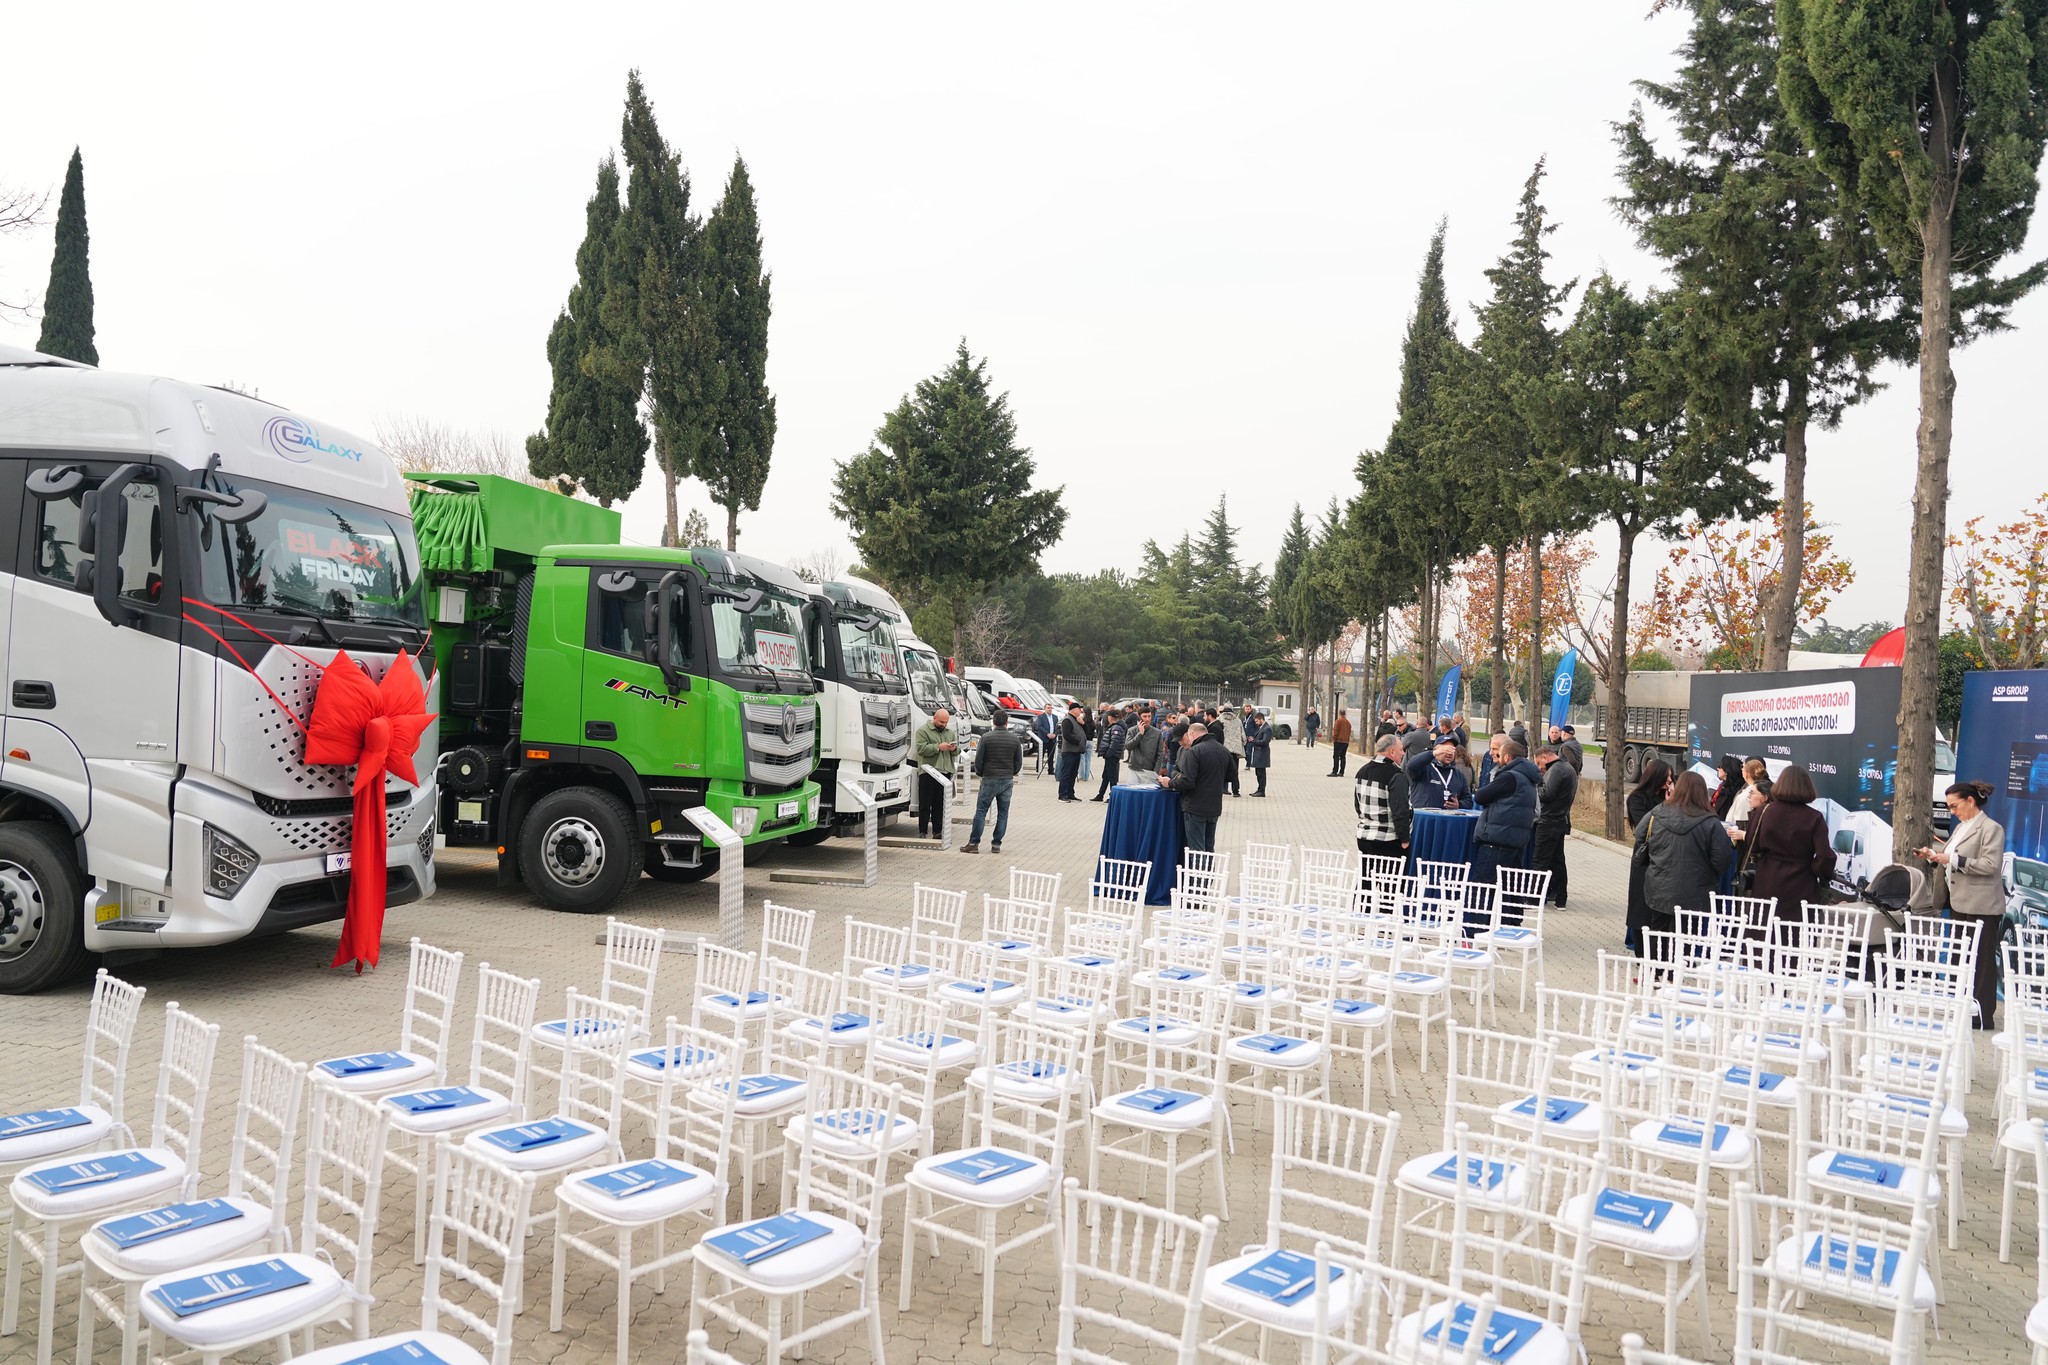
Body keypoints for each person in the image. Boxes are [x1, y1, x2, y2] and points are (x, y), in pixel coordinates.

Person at [1917, 779, 2006, 1029]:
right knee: (1960, 958)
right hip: (1958, 902)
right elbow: (1952, 859)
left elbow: (1990, 866)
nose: (1952, 811)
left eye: (1954, 806)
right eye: (1949, 807)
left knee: (1983, 961)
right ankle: (1961, 1008)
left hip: (1982, 906)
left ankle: (1982, 1016)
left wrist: (1952, 859)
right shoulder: (1960, 828)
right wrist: (1934, 857)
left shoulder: (1991, 828)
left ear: (1970, 801)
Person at [1634, 770, 1733, 962]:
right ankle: (1676, 972)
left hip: (1659, 885)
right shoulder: (1711, 822)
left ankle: (1654, 970)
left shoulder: (1657, 813)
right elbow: (1722, 859)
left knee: (1658, 931)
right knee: (1686, 935)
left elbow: (1640, 836)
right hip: (1696, 889)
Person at [1743, 764, 1833, 928]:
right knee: (1796, 933)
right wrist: (1818, 873)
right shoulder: (1815, 817)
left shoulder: (1764, 811)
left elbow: (1752, 844)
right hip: (1802, 883)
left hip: (1767, 879)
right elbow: (1825, 856)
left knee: (1764, 929)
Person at [1470, 737, 1540, 891]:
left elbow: (1481, 796)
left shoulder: (1509, 776)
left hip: (1497, 840)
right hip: (1515, 840)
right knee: (1509, 889)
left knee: (1483, 889)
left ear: (1507, 757)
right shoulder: (1528, 777)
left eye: (1498, 754)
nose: (1495, 757)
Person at [1624, 758, 1675, 956]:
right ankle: (1640, 950)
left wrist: (1672, 802)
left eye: (1670, 777)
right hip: (1645, 858)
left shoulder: (1669, 797)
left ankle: (1659, 952)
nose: (1669, 781)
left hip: (1665, 859)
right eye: (1666, 777)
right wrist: (1666, 805)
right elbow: (1645, 828)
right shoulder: (1637, 799)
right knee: (1641, 905)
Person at [961, 709, 1024, 854]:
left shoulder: (986, 738)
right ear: (1006, 722)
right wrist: (1011, 773)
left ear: (993, 722)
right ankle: (996, 844)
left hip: (989, 778)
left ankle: (973, 843)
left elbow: (979, 759)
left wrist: (981, 773)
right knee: (1003, 813)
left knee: (981, 811)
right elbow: (1018, 762)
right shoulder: (1015, 739)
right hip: (1007, 780)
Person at [1162, 720, 1230, 853]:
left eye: (1182, 739)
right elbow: (1231, 776)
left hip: (1195, 806)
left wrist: (1169, 783)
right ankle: (1208, 868)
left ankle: (1199, 868)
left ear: (1191, 734)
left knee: (1197, 849)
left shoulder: (1194, 751)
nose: (1181, 743)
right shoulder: (1223, 749)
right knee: (1209, 847)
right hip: (1214, 805)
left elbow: (1188, 781)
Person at [1355, 733, 1414, 872]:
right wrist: (1405, 839)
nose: (1403, 753)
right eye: (1401, 750)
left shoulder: (1362, 771)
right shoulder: (1396, 775)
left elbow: (1358, 806)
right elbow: (1400, 811)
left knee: (1366, 880)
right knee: (1391, 883)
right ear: (1392, 752)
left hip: (1364, 836)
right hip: (1388, 840)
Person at [1531, 743, 1576, 908]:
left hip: (1548, 821)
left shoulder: (1556, 770)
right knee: (1557, 861)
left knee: (1540, 860)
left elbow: (1546, 794)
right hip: (1559, 820)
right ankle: (1560, 898)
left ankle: (1535, 898)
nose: (1539, 767)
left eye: (1539, 763)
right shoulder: (1567, 768)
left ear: (1545, 757)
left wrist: (1535, 786)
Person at [912, 707, 957, 839]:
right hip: (928, 772)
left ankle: (937, 831)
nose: (944, 725)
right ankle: (922, 831)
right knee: (925, 803)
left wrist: (954, 749)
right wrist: (938, 747)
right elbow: (920, 749)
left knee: (939, 804)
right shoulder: (923, 731)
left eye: (946, 722)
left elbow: (957, 751)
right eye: (941, 722)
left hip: (945, 772)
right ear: (934, 718)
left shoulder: (950, 733)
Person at [1407, 738, 1473, 811]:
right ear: (1436, 750)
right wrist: (1432, 753)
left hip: (1448, 817)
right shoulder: (1424, 768)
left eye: (1452, 750)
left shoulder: (1459, 775)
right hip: (1424, 816)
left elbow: (1468, 801)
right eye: (1446, 750)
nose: (1449, 753)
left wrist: (1459, 805)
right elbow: (1411, 765)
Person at [1091, 706, 1127, 800]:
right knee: (1106, 776)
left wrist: (1108, 754)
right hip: (1111, 756)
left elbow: (1114, 743)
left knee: (1112, 777)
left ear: (1110, 718)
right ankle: (1100, 795)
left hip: (1112, 756)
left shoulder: (1116, 728)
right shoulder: (1115, 727)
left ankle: (1113, 796)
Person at [1055, 702, 1088, 802]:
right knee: (1066, 774)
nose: (1081, 711)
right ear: (1074, 710)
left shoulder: (1077, 719)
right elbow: (1067, 735)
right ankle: (1062, 795)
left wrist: (1083, 723)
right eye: (1079, 709)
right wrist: (1078, 741)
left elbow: (1087, 731)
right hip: (1069, 751)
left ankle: (1070, 794)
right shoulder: (1067, 720)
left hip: (1077, 751)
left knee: (1073, 774)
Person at [1121, 708, 1164, 784]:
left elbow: (1160, 753)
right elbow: (1128, 746)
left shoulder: (1157, 733)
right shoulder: (1132, 730)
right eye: (1144, 716)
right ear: (1139, 717)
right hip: (1134, 769)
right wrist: (1140, 734)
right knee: (1133, 790)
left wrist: (1156, 771)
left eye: (1149, 716)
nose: (1147, 719)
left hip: (1150, 770)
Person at [1217, 703, 1248, 797]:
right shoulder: (1238, 720)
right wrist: (1243, 744)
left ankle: (1222, 789)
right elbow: (1243, 736)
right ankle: (1236, 791)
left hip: (1223, 749)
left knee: (1222, 770)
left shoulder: (1219, 720)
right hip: (1235, 749)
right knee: (1234, 770)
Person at [1244, 708, 1273, 796]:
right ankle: (1259, 789)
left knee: (1261, 773)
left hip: (1262, 754)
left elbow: (1265, 741)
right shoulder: (1261, 727)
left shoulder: (1267, 729)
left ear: (1261, 719)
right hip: (1258, 753)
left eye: (1257, 721)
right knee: (1258, 773)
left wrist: (1254, 741)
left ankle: (1262, 791)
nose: (1256, 723)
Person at [1712, 753, 1745, 820]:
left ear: (1727, 770)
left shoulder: (1736, 792)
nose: (1717, 768)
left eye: (1720, 766)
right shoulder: (1722, 786)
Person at [1327, 708, 1353, 776]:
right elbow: (1349, 732)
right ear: (1345, 714)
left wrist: (1334, 739)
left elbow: (1336, 731)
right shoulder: (1348, 722)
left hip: (1339, 741)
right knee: (1343, 757)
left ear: (1339, 713)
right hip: (1346, 742)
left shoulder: (1338, 721)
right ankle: (1341, 772)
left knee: (1336, 756)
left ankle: (1335, 771)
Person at [1078, 705, 1097, 785]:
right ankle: (1086, 776)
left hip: (1084, 741)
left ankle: (1082, 775)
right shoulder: (1092, 722)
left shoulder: (1083, 721)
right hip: (1090, 741)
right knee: (1088, 759)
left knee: (1082, 758)